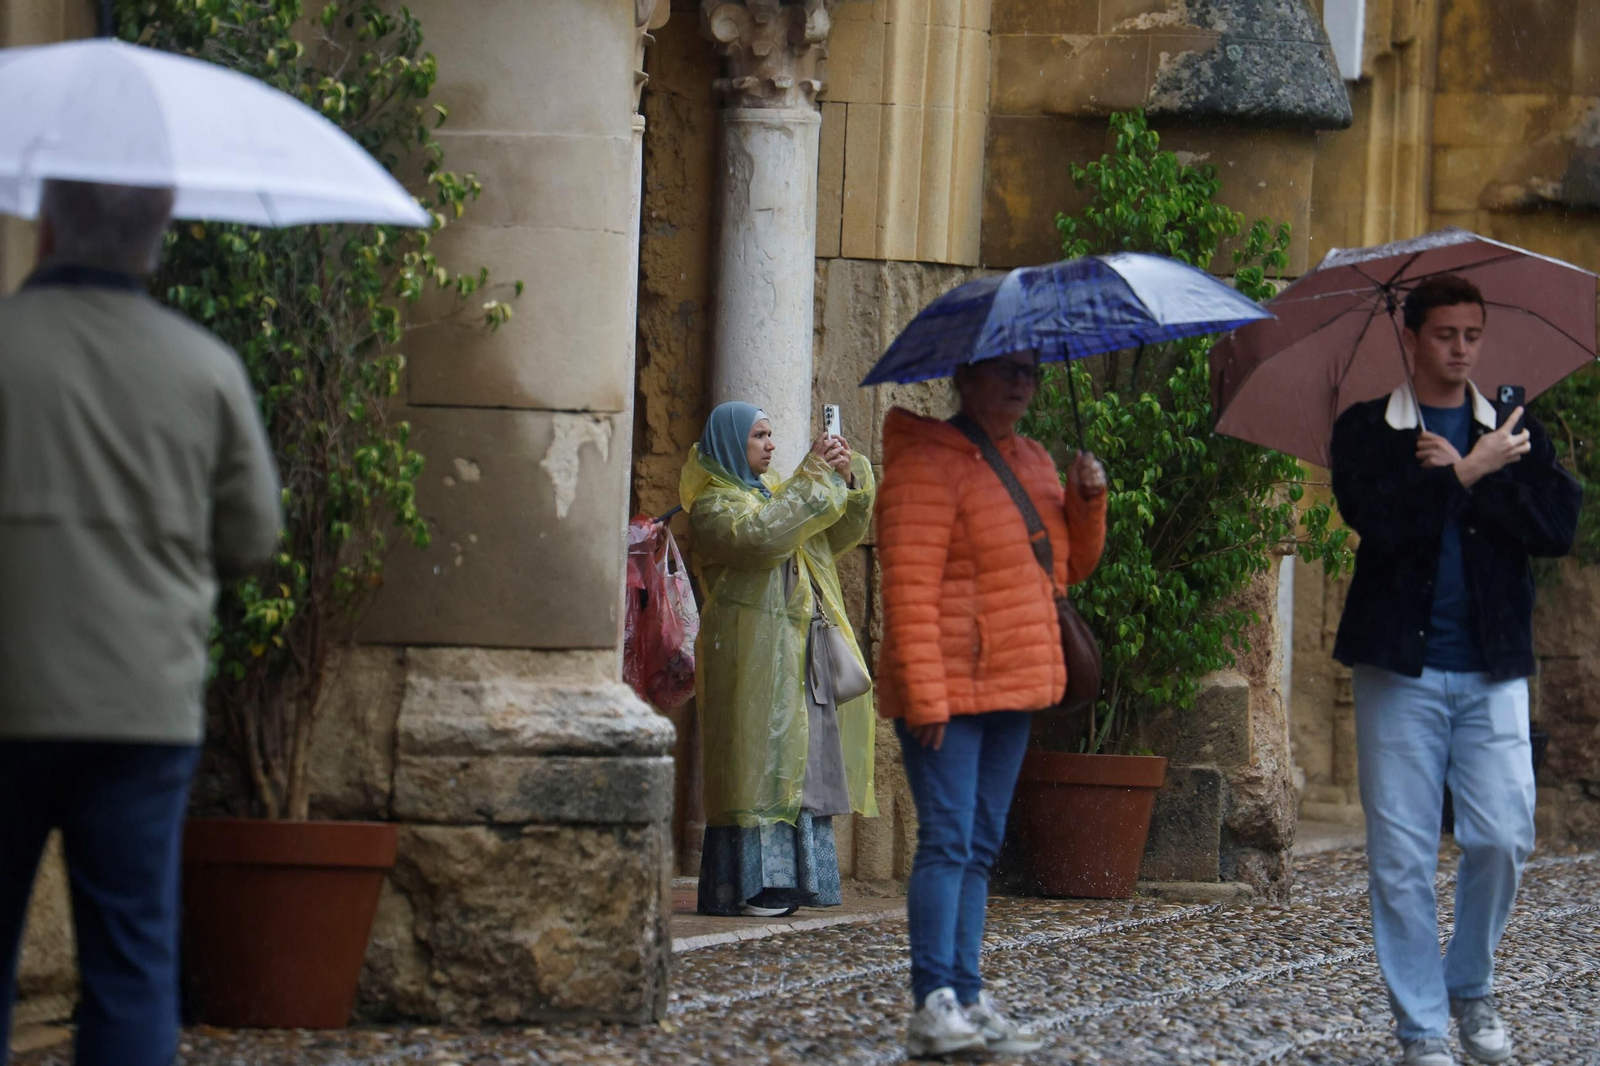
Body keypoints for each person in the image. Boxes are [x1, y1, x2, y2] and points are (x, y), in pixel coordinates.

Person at [0, 180, 282, 1066]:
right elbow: (252, 538)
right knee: (130, 967)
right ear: (156, 239)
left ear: (46, 227)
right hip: (141, 707)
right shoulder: (205, 368)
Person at [1329, 275, 1582, 1066]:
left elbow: (1557, 525)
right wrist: (1466, 474)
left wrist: (1480, 469)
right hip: (1398, 671)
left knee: (1505, 835)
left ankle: (1469, 981)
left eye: (1473, 333)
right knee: (1401, 858)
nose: (1462, 348)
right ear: (1412, 337)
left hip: (1492, 667)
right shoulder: (1369, 429)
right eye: (1446, 334)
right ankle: (1423, 1030)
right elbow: (1378, 521)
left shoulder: (1510, 422)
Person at [876, 351, 1108, 1059]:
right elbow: (908, 594)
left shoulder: (1035, 460)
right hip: (947, 690)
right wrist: (924, 699)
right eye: (1005, 369)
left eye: (1031, 372)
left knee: (978, 847)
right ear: (965, 379)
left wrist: (1086, 503)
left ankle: (969, 995)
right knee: (947, 842)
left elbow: (1066, 571)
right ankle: (933, 1002)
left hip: (1016, 683)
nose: (1021, 383)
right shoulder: (924, 464)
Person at [683, 401, 878, 917]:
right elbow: (763, 536)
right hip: (749, 656)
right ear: (730, 443)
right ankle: (752, 886)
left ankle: (799, 883)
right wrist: (812, 477)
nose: (771, 445)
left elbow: (826, 536)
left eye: (771, 435)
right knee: (755, 764)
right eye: (759, 436)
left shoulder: (772, 495)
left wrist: (846, 481)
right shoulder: (713, 507)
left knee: (800, 763)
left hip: (795, 654)